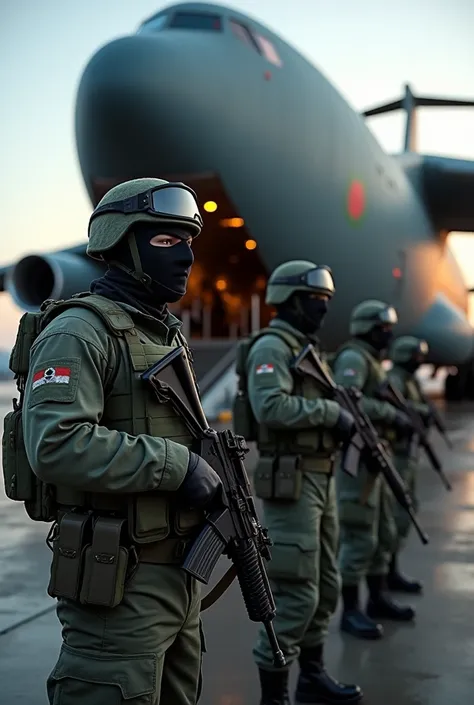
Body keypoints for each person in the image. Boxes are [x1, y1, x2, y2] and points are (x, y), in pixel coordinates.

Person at [21, 177, 223, 705]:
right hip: (118, 586)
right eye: (164, 241)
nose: (184, 256)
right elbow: (55, 444)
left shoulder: (163, 334)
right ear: (121, 245)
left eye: (188, 241)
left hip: (177, 579)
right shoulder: (79, 333)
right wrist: (178, 466)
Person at [238, 260, 363, 705]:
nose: (323, 310)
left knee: (325, 584)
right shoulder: (272, 349)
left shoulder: (306, 348)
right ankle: (275, 694)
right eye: (316, 301)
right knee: (296, 590)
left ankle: (311, 677)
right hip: (291, 480)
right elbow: (270, 407)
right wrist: (332, 414)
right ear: (290, 300)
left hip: (320, 476)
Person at [331, 300, 416, 640]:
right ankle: (351, 611)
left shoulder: (371, 361)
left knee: (380, 532)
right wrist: (391, 413)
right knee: (358, 534)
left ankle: (377, 597)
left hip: (375, 457)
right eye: (383, 328)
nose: (389, 335)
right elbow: (346, 398)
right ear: (366, 328)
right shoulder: (353, 358)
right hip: (359, 460)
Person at [386, 336, 431, 594]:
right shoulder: (395, 378)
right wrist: (418, 411)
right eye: (416, 356)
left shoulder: (409, 379)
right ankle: (387, 573)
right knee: (397, 513)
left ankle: (391, 571)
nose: (419, 361)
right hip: (396, 454)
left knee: (405, 510)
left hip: (407, 453)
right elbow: (395, 405)